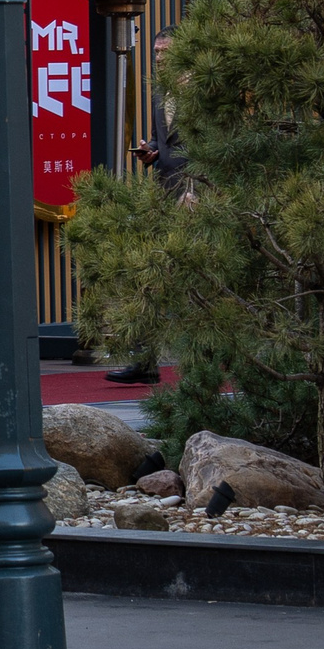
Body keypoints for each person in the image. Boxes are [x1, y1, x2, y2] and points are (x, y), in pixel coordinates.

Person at [107, 31, 189, 386]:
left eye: (165, 52)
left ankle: (205, 362)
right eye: (155, 52)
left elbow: (215, 149)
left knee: (194, 283)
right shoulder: (159, 92)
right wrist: (151, 149)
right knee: (147, 275)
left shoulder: (204, 93)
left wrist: (197, 191)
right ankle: (144, 361)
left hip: (197, 198)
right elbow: (163, 139)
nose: (158, 58)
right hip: (164, 193)